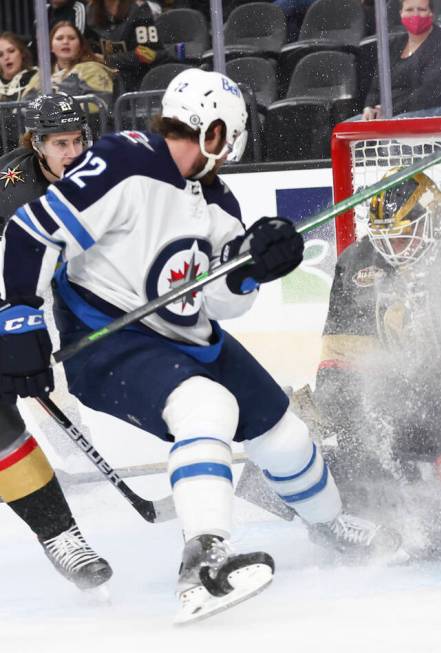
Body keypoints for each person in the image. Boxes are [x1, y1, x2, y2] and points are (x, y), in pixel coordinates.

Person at [0, 68, 401, 623]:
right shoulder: (122, 161)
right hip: (112, 343)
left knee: (282, 433)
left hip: (190, 336)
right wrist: (18, 314)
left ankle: (328, 522)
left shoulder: (218, 200)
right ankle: (202, 564)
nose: (229, 153)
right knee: (207, 409)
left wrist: (253, 268)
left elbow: (220, 299)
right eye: (228, 139)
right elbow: (31, 232)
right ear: (214, 132)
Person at [307, 170, 441, 558]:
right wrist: (320, 423)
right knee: (329, 427)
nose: (392, 248)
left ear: (434, 222)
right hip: (417, 400)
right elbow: (344, 366)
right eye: (383, 236)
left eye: (403, 234)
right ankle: (373, 503)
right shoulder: (360, 263)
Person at [0, 93, 112, 591]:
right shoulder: (11, 187)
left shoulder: (100, 176)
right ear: (36, 144)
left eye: (76, 141)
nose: (71, 153)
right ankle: (61, 506)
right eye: (59, 143)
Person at [362, 0, 441, 120]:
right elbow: (377, 84)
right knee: (345, 128)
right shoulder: (395, 44)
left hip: (430, 115)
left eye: (421, 9)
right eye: (409, 10)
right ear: (401, 13)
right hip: (390, 113)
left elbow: (427, 93)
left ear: (432, 14)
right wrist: (369, 107)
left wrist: (388, 110)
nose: (415, 15)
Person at [22, 22, 114, 108]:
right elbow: (24, 107)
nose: (65, 42)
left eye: (71, 38)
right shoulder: (40, 77)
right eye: (59, 38)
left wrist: (58, 113)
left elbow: (98, 104)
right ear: (51, 47)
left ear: (81, 45)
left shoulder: (93, 69)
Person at [88, 0, 170, 93]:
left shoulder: (140, 10)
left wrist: (107, 59)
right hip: (107, 75)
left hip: (139, 77)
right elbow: (89, 45)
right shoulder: (91, 10)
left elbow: (146, 53)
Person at [0, 32, 37, 102]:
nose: (6, 57)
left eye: (11, 51)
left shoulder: (37, 78)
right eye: (0, 55)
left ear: (22, 53)